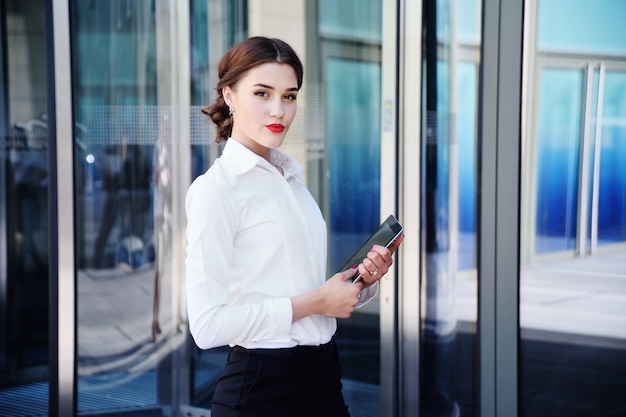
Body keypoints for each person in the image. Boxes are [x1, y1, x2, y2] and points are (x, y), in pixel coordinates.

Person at [185, 36, 404, 417]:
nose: (279, 110)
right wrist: (316, 302)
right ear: (230, 95)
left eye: (289, 96)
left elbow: (305, 291)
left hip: (323, 379)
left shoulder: (291, 180)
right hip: (261, 390)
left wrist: (361, 283)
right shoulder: (216, 190)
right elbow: (207, 327)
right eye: (262, 93)